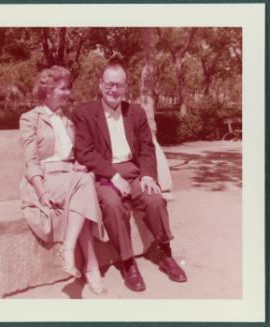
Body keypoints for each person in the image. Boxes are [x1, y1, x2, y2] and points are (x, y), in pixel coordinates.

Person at [73, 62, 187, 292]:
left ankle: (165, 254)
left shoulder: (136, 112)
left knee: (154, 199)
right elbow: (84, 152)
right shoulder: (84, 113)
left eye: (119, 85)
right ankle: (128, 264)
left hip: (134, 173)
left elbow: (146, 148)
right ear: (100, 85)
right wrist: (113, 176)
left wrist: (147, 176)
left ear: (126, 87)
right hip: (103, 175)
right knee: (113, 205)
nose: (114, 90)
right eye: (109, 84)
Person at [19, 66, 106, 295]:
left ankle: (87, 264)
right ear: (47, 90)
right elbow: (31, 161)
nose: (68, 93)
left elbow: (72, 154)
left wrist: (76, 163)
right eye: (62, 88)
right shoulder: (30, 119)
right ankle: (82, 260)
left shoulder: (67, 121)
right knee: (84, 184)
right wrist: (42, 192)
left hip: (70, 177)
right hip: (45, 180)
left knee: (83, 185)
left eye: (69, 88)